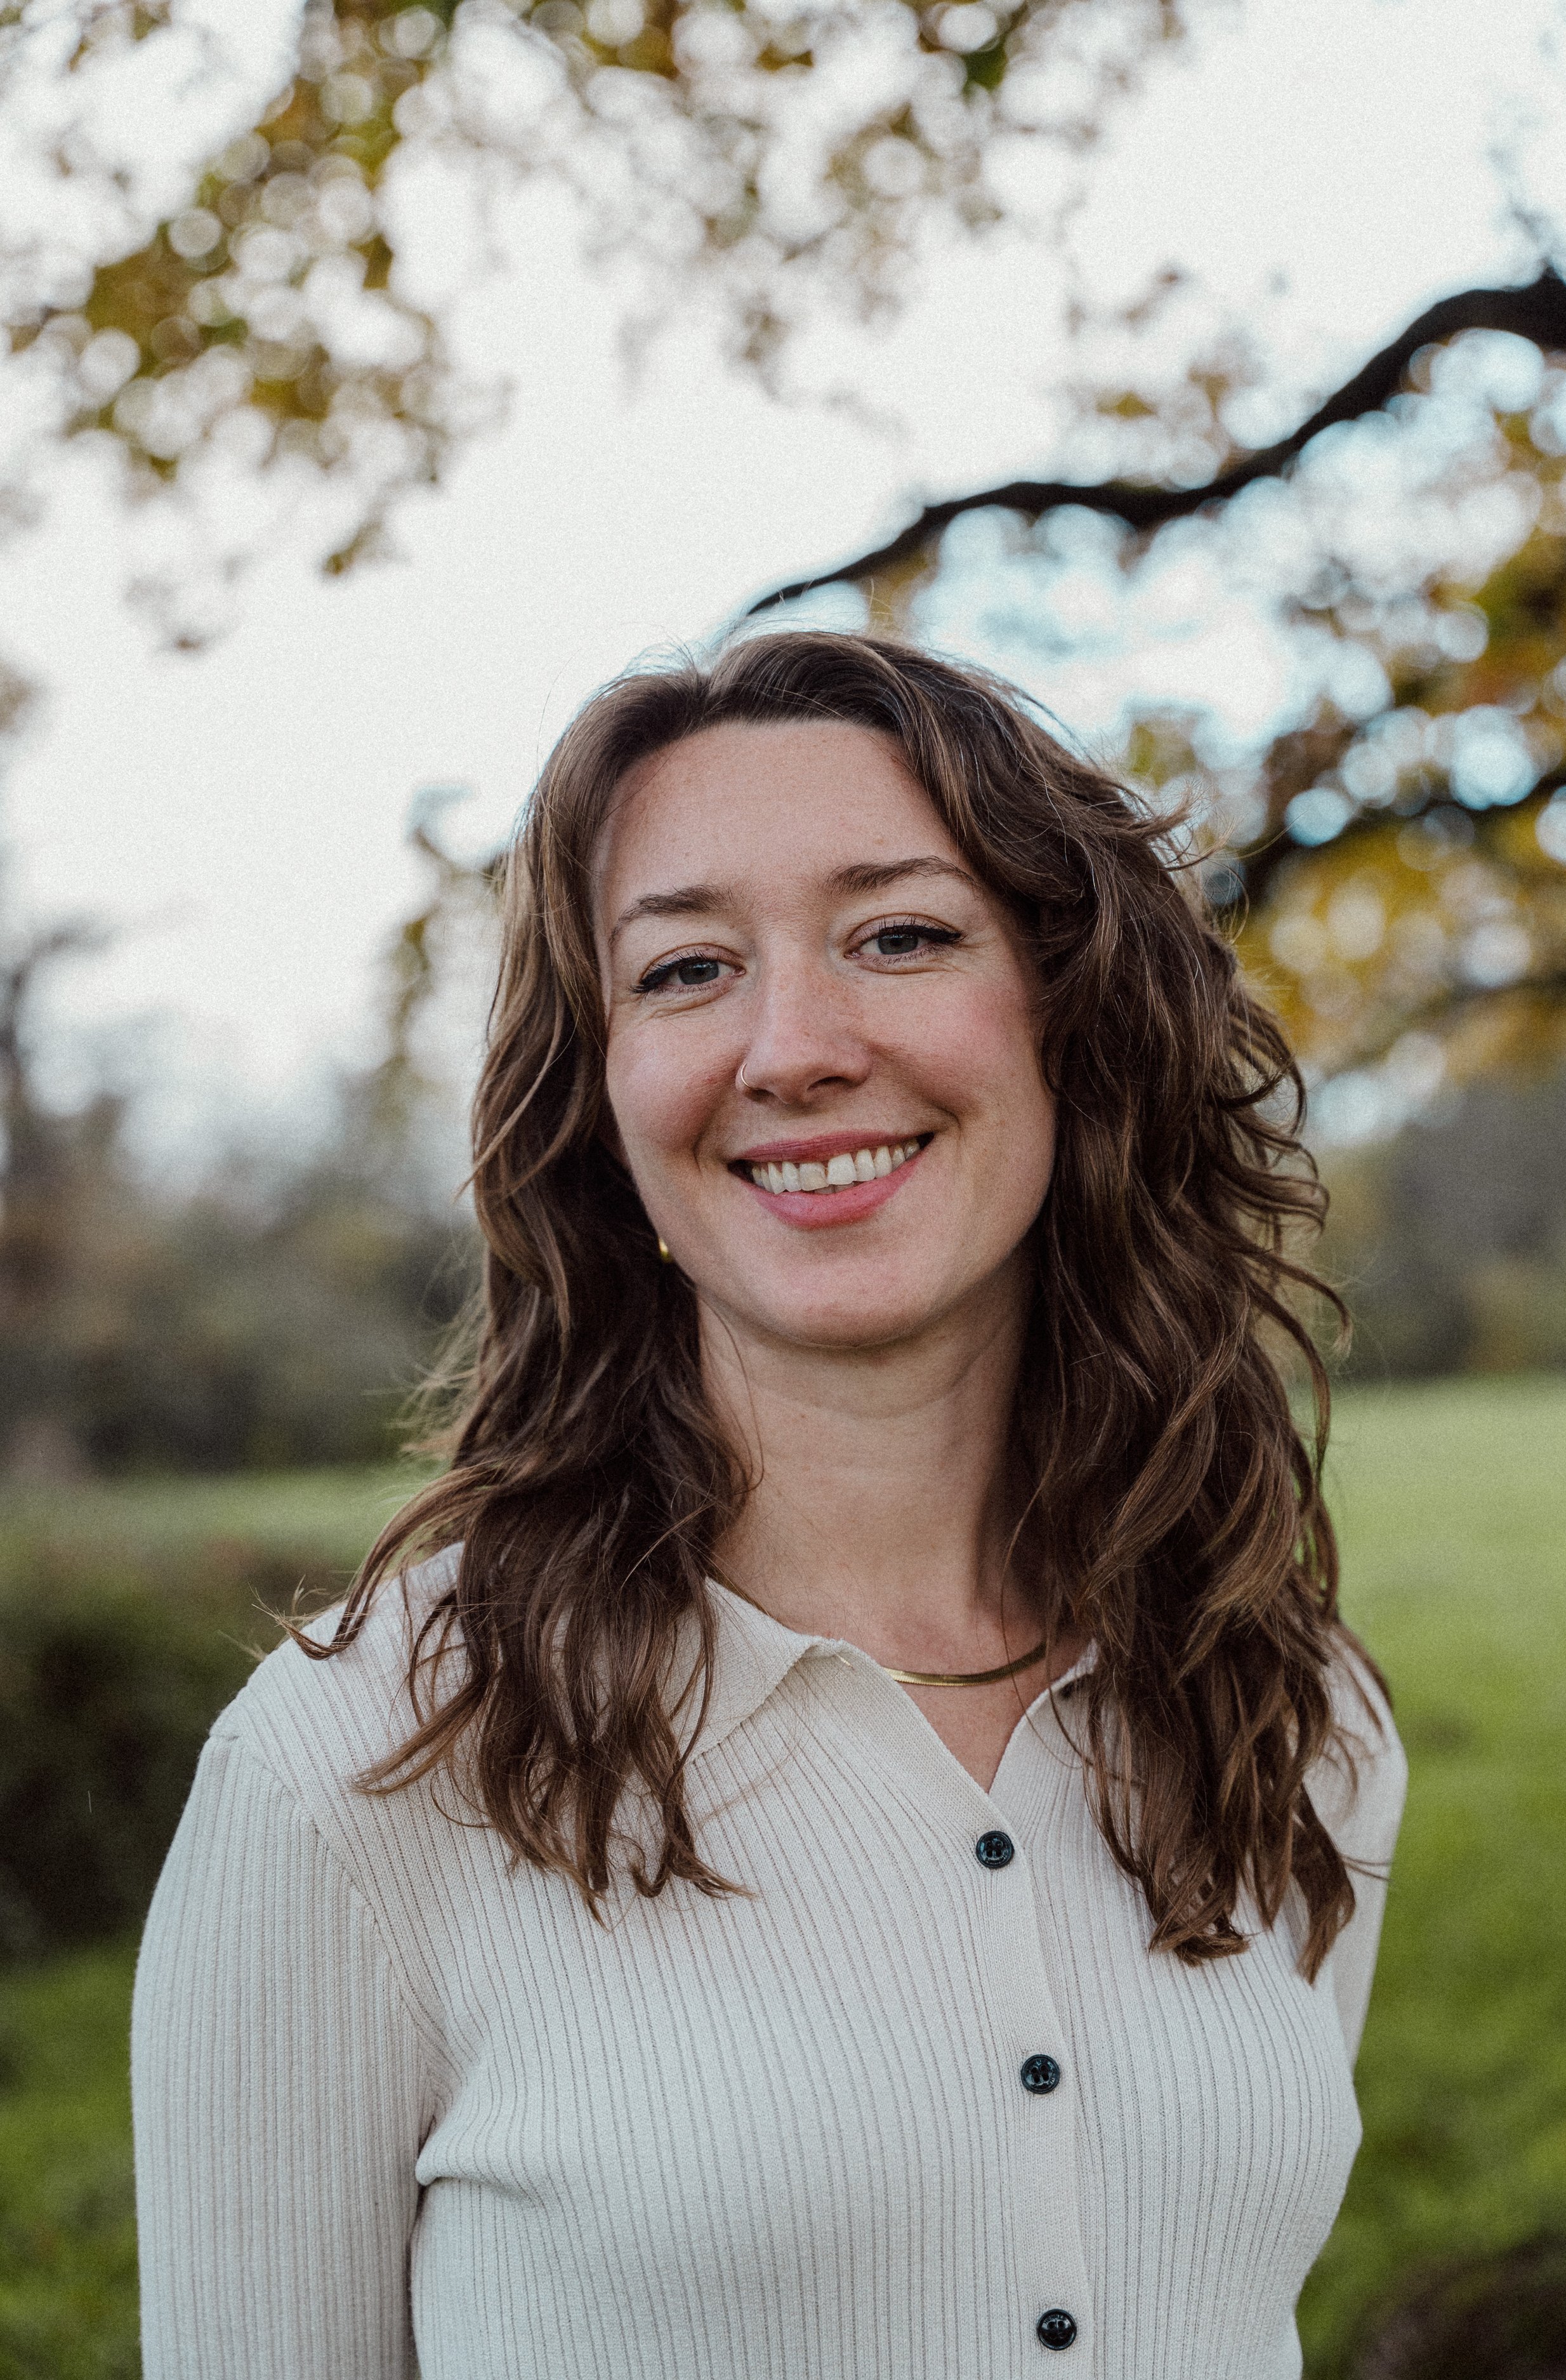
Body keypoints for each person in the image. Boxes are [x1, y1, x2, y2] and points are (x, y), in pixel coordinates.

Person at [133, 631, 1407, 2379]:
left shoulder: (1290, 1714)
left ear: (1069, 1021)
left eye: (898, 935)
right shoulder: (357, 1767)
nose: (792, 1048)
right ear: (600, 1096)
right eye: (684, 971)